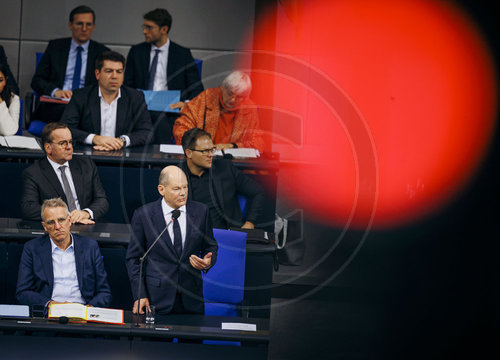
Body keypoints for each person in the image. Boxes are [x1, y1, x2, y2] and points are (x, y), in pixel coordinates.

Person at [126, 166, 218, 315]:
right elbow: (134, 259)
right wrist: (140, 294)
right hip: (156, 298)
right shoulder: (144, 215)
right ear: (161, 189)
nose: (183, 193)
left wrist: (208, 261)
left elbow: (211, 246)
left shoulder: (201, 212)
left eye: (185, 187)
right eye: (176, 189)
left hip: (191, 297)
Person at [124, 8, 204, 143]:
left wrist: (185, 104)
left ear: (164, 29)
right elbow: (127, 84)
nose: (144, 31)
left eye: (150, 28)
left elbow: (197, 89)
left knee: (160, 122)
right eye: (144, 27)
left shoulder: (182, 54)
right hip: (141, 108)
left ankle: (156, 160)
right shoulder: (137, 52)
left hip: (170, 111)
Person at [16, 198, 112, 307]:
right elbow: (23, 292)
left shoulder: (89, 247)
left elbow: (104, 293)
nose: (57, 227)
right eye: (51, 222)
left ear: (69, 220)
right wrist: (50, 304)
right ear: (44, 226)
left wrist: (88, 309)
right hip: (49, 314)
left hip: (83, 313)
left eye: (61, 220)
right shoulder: (32, 248)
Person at [31, 5, 109, 123]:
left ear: (93, 27)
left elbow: (107, 86)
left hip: (87, 107)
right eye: (79, 24)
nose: (84, 29)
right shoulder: (55, 47)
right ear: (70, 25)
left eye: (88, 24)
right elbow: (37, 81)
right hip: (57, 104)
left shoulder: (102, 52)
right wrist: (55, 91)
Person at [61, 51, 153, 151]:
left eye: (119, 72)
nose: (114, 76)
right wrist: (95, 138)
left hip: (123, 156)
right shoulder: (80, 96)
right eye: (109, 71)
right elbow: (65, 129)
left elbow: (147, 132)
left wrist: (121, 141)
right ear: (97, 74)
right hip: (89, 155)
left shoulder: (135, 97)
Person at [21, 122, 109, 223]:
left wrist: (86, 213)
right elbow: (29, 208)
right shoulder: (34, 173)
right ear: (48, 148)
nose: (69, 147)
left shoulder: (86, 164)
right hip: (56, 228)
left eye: (70, 142)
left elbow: (102, 200)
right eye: (62, 143)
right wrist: (66, 216)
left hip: (87, 224)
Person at [179, 128, 264, 229]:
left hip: (225, 236)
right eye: (205, 151)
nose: (210, 155)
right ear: (189, 153)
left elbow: (258, 192)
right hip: (193, 237)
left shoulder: (225, 169)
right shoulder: (176, 176)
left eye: (212, 149)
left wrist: (250, 222)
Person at [173, 71, 264, 152]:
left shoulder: (249, 109)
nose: (232, 100)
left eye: (239, 97)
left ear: (245, 97)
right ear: (222, 88)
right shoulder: (206, 98)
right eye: (230, 93)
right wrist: (199, 144)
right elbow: (181, 127)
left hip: (233, 163)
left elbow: (258, 143)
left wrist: (233, 146)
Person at [0, 63, 20, 135]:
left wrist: (0, 103)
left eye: (0, 80)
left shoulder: (13, 99)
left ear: (5, 81)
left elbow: (9, 131)